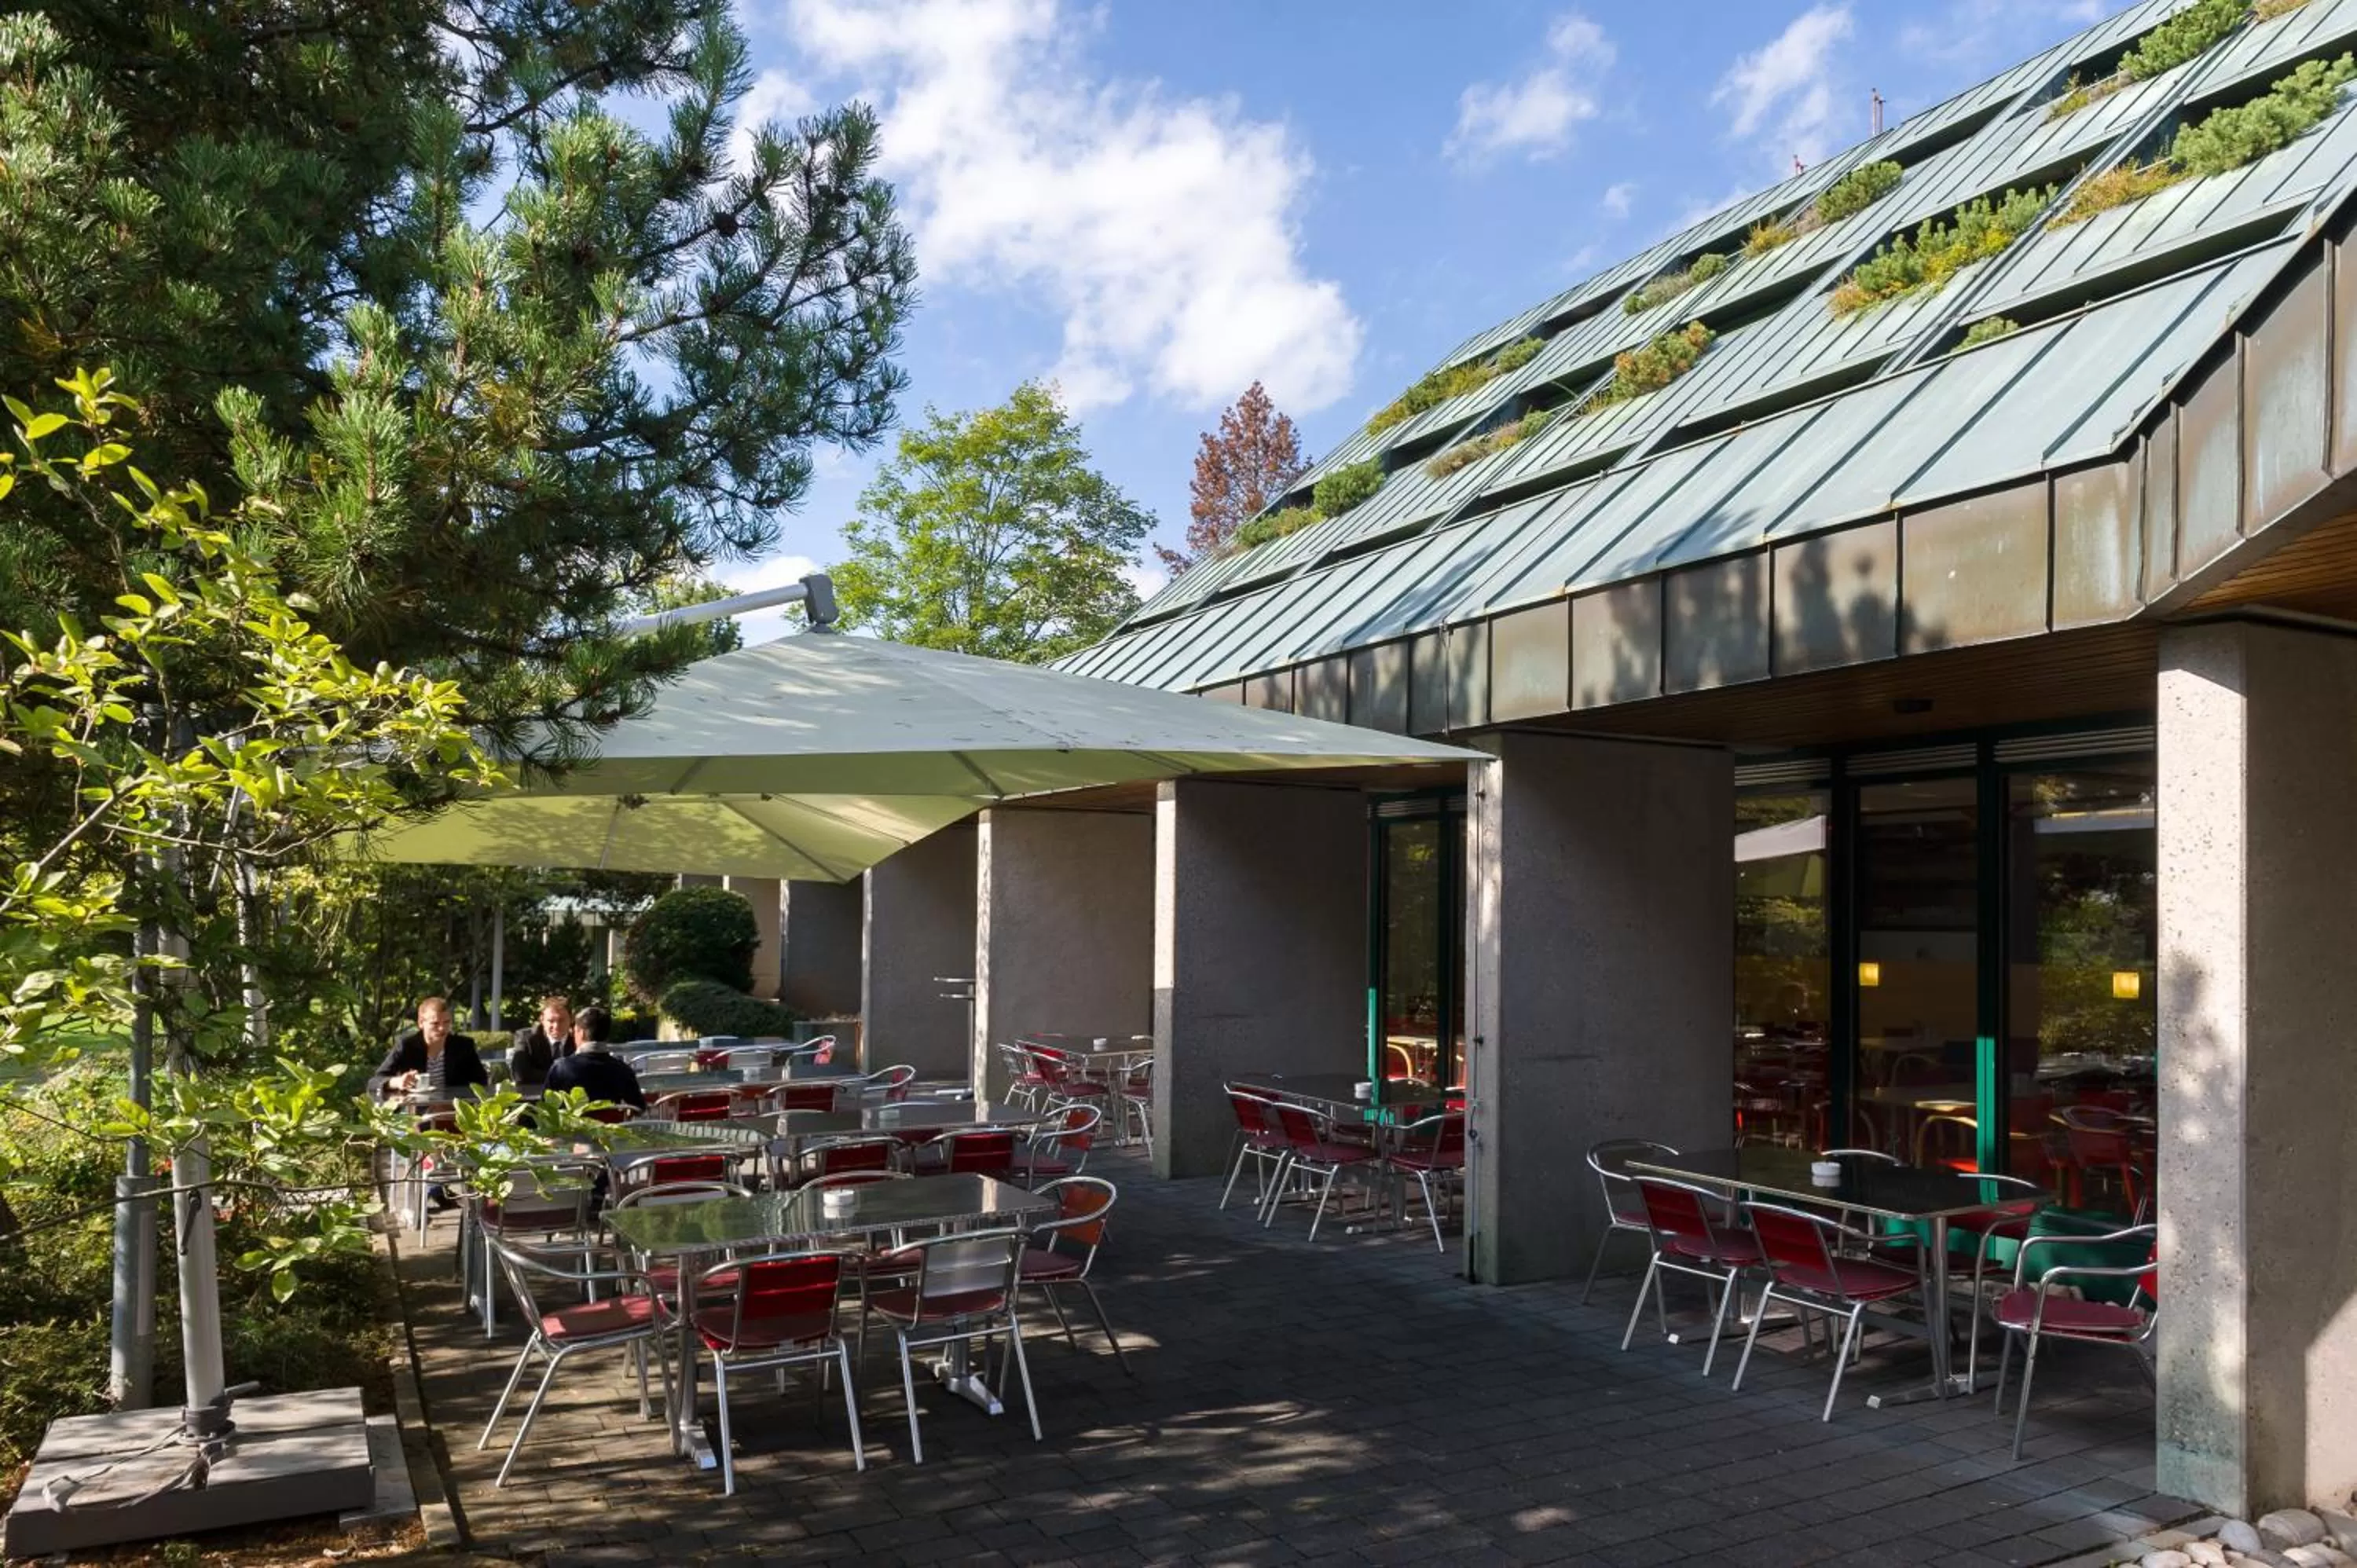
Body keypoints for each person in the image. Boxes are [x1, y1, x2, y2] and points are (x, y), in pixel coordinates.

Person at [368, 996, 490, 1099]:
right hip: (414, 1114)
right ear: (421, 1023)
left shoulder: (463, 1046)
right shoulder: (407, 1046)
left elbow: (481, 1082)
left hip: (452, 1114)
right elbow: (374, 1082)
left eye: (447, 1022)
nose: (442, 1029)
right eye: (435, 1024)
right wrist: (398, 1082)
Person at [543, 1004, 647, 1112]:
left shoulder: (561, 1068)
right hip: (610, 1128)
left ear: (580, 1033)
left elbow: (546, 1107)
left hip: (573, 1128)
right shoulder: (623, 1070)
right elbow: (639, 1107)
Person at [508, 995, 577, 1089]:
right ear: (542, 1020)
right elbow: (521, 1075)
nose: (556, 1026)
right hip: (534, 1095)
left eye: (561, 1020)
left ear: (571, 1019)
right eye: (551, 1021)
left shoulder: (579, 1039)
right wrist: (565, 1076)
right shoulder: (526, 1038)